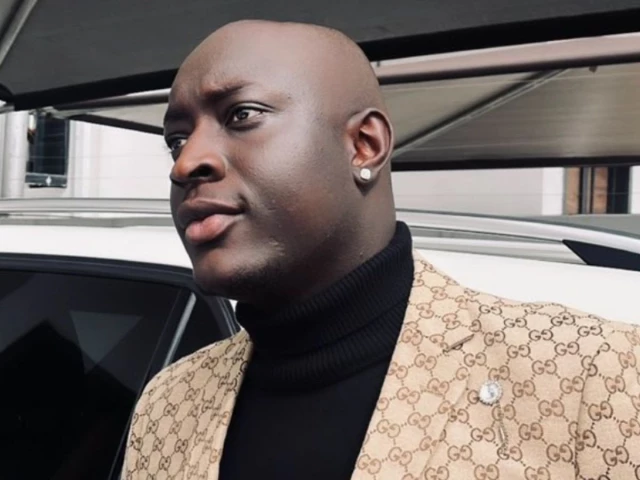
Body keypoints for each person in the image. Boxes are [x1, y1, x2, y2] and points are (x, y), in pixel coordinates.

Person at [123, 20, 640, 480]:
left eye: (241, 115)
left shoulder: (592, 373)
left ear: (364, 145)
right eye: (176, 140)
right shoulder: (168, 404)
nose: (185, 164)